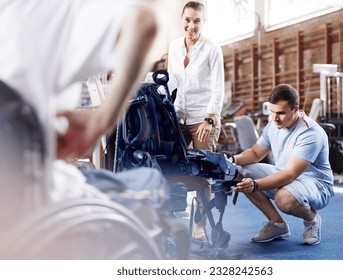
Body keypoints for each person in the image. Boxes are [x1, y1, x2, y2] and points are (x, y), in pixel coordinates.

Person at [0, 0, 163, 228]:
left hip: (9, 215)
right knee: (151, 179)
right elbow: (143, 23)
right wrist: (101, 121)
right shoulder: (38, 11)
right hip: (42, 210)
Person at [232, 84, 334, 245]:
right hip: (285, 174)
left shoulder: (310, 133)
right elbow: (256, 153)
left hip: (316, 184)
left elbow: (289, 174)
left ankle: (312, 219)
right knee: (236, 170)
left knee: (284, 199)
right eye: (272, 112)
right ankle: (277, 224)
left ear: (296, 109)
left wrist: (255, 184)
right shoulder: (273, 124)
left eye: (280, 113)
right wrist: (232, 160)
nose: (274, 118)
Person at [167, 1, 225, 240]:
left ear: (204, 22)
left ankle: (200, 223)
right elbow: (172, 83)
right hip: (179, 116)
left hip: (204, 117)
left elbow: (217, 88)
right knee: (169, 166)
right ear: (182, 20)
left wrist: (209, 119)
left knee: (202, 172)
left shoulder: (212, 49)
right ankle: (170, 217)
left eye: (197, 21)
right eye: (188, 20)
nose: (191, 26)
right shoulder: (173, 47)